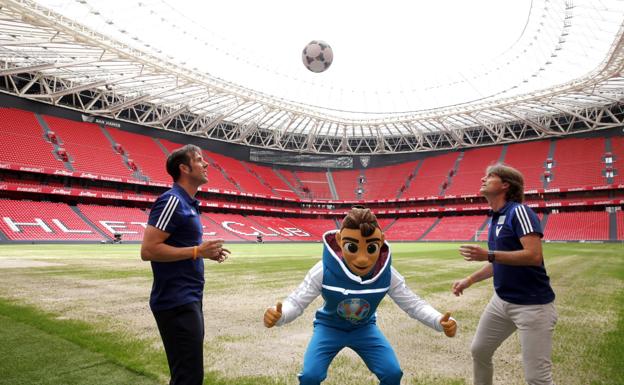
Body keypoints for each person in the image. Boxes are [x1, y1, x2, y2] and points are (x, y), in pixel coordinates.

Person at [264, 206, 456, 385]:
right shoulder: (323, 270)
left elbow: (413, 305)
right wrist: (281, 315)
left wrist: (438, 320)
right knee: (310, 376)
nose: (362, 258)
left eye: (371, 248)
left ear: (380, 241)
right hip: (329, 328)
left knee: (392, 373)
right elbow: (297, 302)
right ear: (340, 241)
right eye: (352, 247)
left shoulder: (387, 275)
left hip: (364, 329)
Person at [452, 163, 557, 385]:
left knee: (537, 377)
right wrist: (468, 280)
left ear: (505, 185)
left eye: (490, 176)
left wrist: (489, 254)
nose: (483, 179)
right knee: (479, 351)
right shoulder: (495, 217)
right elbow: (498, 262)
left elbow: (533, 255)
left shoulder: (519, 211)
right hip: (501, 302)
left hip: (532, 306)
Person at [141, 144, 229, 385]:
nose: (206, 164)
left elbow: (183, 248)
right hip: (175, 301)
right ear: (184, 168)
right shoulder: (172, 201)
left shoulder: (189, 204)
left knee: (187, 375)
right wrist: (196, 251)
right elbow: (148, 250)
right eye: (199, 160)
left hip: (188, 298)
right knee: (188, 377)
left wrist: (203, 254)